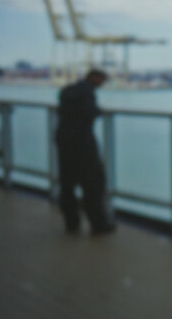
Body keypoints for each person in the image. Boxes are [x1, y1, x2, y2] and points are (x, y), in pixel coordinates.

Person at [55, 68, 115, 235]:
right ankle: (98, 224)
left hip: (64, 141)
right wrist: (98, 111)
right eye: (101, 81)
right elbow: (90, 112)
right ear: (95, 78)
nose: (102, 84)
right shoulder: (87, 92)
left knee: (67, 184)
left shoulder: (68, 90)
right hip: (83, 143)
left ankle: (71, 223)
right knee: (93, 184)